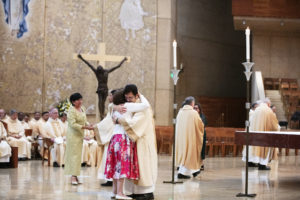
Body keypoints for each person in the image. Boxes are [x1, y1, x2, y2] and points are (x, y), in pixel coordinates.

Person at [117, 84, 157, 200]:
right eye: (127, 98)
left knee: (143, 166)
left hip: (143, 142)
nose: (128, 101)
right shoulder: (134, 106)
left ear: (137, 95)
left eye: (131, 98)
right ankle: (135, 191)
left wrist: (120, 120)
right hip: (135, 140)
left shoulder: (143, 108)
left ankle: (146, 192)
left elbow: (134, 124)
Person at [77, 54, 127, 119]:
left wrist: (123, 60)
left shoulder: (105, 71)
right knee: (100, 102)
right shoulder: (98, 72)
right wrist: (81, 58)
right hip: (100, 89)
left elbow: (117, 66)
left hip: (104, 89)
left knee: (102, 103)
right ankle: (101, 115)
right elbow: (89, 64)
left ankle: (102, 115)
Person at [64, 93, 94, 185]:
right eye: (78, 100)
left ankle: (76, 176)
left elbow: (84, 120)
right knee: (74, 156)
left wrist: (89, 125)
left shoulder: (83, 108)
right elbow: (72, 124)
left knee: (78, 156)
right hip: (73, 135)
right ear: (73, 102)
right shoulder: (71, 110)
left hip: (80, 134)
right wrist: (85, 128)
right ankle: (73, 176)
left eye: (81, 99)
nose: (80, 101)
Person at [243, 98, 279, 170]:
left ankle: (254, 163)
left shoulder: (257, 110)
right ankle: (262, 165)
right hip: (265, 134)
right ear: (268, 104)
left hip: (255, 134)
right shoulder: (268, 110)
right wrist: (277, 128)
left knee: (256, 149)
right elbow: (274, 125)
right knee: (264, 149)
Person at [176, 97, 204, 179]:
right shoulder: (193, 113)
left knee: (184, 153)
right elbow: (200, 125)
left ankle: (192, 171)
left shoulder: (180, 112)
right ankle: (185, 172)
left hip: (182, 138)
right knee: (190, 154)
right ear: (192, 103)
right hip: (190, 137)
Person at [96, 89, 117, 186]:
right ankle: (111, 178)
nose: (109, 97)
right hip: (112, 133)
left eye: (110, 95)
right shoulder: (113, 106)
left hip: (112, 134)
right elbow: (108, 119)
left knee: (109, 156)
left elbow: (109, 121)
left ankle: (111, 179)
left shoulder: (113, 106)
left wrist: (97, 127)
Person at [194, 103, 207, 171]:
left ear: (199, 109)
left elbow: (203, 125)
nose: (196, 110)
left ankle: (201, 164)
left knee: (201, 149)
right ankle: (195, 164)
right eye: (194, 108)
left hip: (201, 135)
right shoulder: (192, 116)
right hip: (194, 135)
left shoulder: (202, 116)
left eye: (197, 108)